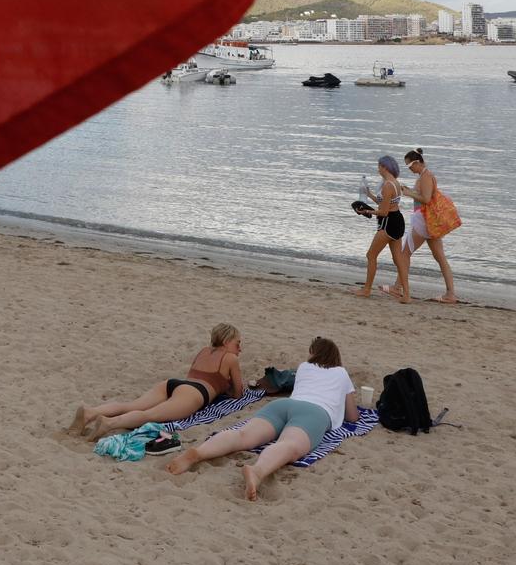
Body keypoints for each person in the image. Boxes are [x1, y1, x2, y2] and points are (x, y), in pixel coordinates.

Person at [164, 336, 353, 500]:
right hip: (315, 412)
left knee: (243, 435)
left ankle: (198, 453)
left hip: (284, 405)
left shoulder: (304, 367)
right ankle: (257, 471)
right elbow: (352, 415)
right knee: (289, 445)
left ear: (313, 354)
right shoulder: (342, 373)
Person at [71, 324, 243, 439]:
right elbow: (238, 393)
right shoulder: (230, 359)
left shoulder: (203, 351)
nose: (239, 349)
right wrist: (225, 388)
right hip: (195, 393)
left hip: (173, 384)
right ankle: (110, 423)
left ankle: (91, 412)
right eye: (237, 344)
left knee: (131, 405)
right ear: (227, 342)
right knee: (150, 416)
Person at [398, 148, 459, 303]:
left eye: (410, 165)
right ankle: (450, 294)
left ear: (417, 162)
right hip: (429, 222)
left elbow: (425, 198)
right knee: (439, 257)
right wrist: (409, 190)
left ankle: (397, 287)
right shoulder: (423, 176)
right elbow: (422, 195)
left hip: (424, 221)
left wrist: (408, 193)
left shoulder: (426, 176)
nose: (409, 169)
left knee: (404, 254)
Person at [355, 155, 411, 303]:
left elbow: (383, 212)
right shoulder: (395, 183)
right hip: (398, 220)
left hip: (388, 223)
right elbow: (385, 202)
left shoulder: (387, 185)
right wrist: (369, 195)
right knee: (398, 259)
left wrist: (367, 212)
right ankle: (406, 295)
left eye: (379, 166)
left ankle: (366, 290)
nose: (378, 168)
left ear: (385, 167)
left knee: (371, 255)